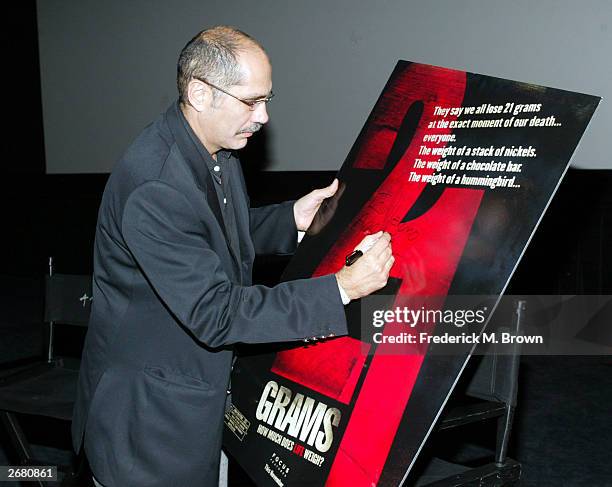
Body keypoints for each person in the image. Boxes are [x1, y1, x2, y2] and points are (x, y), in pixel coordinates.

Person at [72, 26, 394, 487]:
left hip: (193, 400)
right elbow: (217, 312)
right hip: (152, 422)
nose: (263, 116)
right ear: (200, 93)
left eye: (267, 99)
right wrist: (340, 289)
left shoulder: (211, 148)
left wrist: (290, 220)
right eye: (250, 101)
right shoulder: (156, 186)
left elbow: (207, 233)